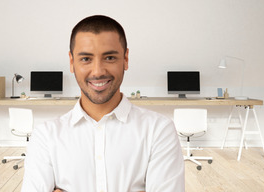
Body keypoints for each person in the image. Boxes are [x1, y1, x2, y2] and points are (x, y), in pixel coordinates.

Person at [21, 15, 185, 192]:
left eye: (109, 58)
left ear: (126, 59)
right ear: (71, 61)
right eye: (86, 59)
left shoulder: (159, 130)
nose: (98, 72)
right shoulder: (45, 136)